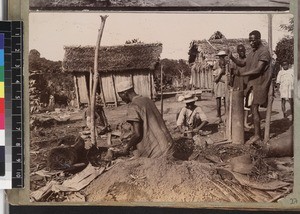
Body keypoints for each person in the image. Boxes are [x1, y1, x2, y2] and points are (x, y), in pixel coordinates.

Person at [109, 80, 174, 159]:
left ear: (125, 93)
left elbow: (137, 134)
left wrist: (126, 148)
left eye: (120, 96)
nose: (121, 99)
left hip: (158, 154)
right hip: (169, 145)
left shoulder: (133, 106)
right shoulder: (147, 99)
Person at [230, 30, 272, 144]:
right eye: (250, 40)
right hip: (253, 84)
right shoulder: (253, 53)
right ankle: (257, 134)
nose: (251, 43)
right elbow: (243, 63)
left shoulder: (263, 52)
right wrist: (232, 58)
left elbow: (259, 69)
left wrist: (242, 74)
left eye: (253, 40)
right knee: (253, 110)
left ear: (259, 39)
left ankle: (257, 135)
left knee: (254, 109)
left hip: (260, 84)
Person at [229, 44, 252, 129]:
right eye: (240, 51)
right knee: (237, 103)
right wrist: (233, 74)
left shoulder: (248, 60)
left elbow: (242, 64)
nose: (242, 52)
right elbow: (231, 73)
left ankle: (245, 121)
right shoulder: (233, 63)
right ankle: (238, 121)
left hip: (246, 84)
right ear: (238, 52)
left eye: (243, 50)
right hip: (237, 84)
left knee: (247, 104)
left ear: (245, 50)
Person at [213, 51, 227, 124]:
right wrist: (221, 73)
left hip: (225, 87)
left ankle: (226, 115)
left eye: (223, 57)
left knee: (225, 102)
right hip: (218, 86)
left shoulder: (227, 69)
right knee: (218, 103)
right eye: (220, 57)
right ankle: (219, 116)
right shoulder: (217, 70)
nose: (222, 60)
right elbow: (215, 80)